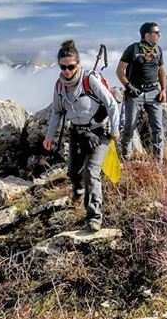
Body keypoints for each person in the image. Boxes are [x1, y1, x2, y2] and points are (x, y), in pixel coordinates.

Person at [43, 39, 120, 231]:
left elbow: (111, 104)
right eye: (63, 67)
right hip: (76, 132)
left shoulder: (89, 80)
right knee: (73, 171)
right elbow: (57, 112)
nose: (67, 71)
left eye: (71, 66)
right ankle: (78, 191)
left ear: (78, 64)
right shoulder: (59, 86)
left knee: (91, 172)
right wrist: (49, 136)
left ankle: (94, 216)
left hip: (98, 132)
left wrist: (115, 130)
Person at [116, 22, 167, 162]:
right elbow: (120, 71)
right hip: (135, 94)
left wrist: (163, 89)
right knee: (129, 127)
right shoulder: (132, 49)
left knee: (158, 127)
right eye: (156, 33)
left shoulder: (158, 50)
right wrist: (128, 86)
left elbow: (161, 70)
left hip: (154, 93)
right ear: (147, 35)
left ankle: (159, 161)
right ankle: (125, 158)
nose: (159, 35)